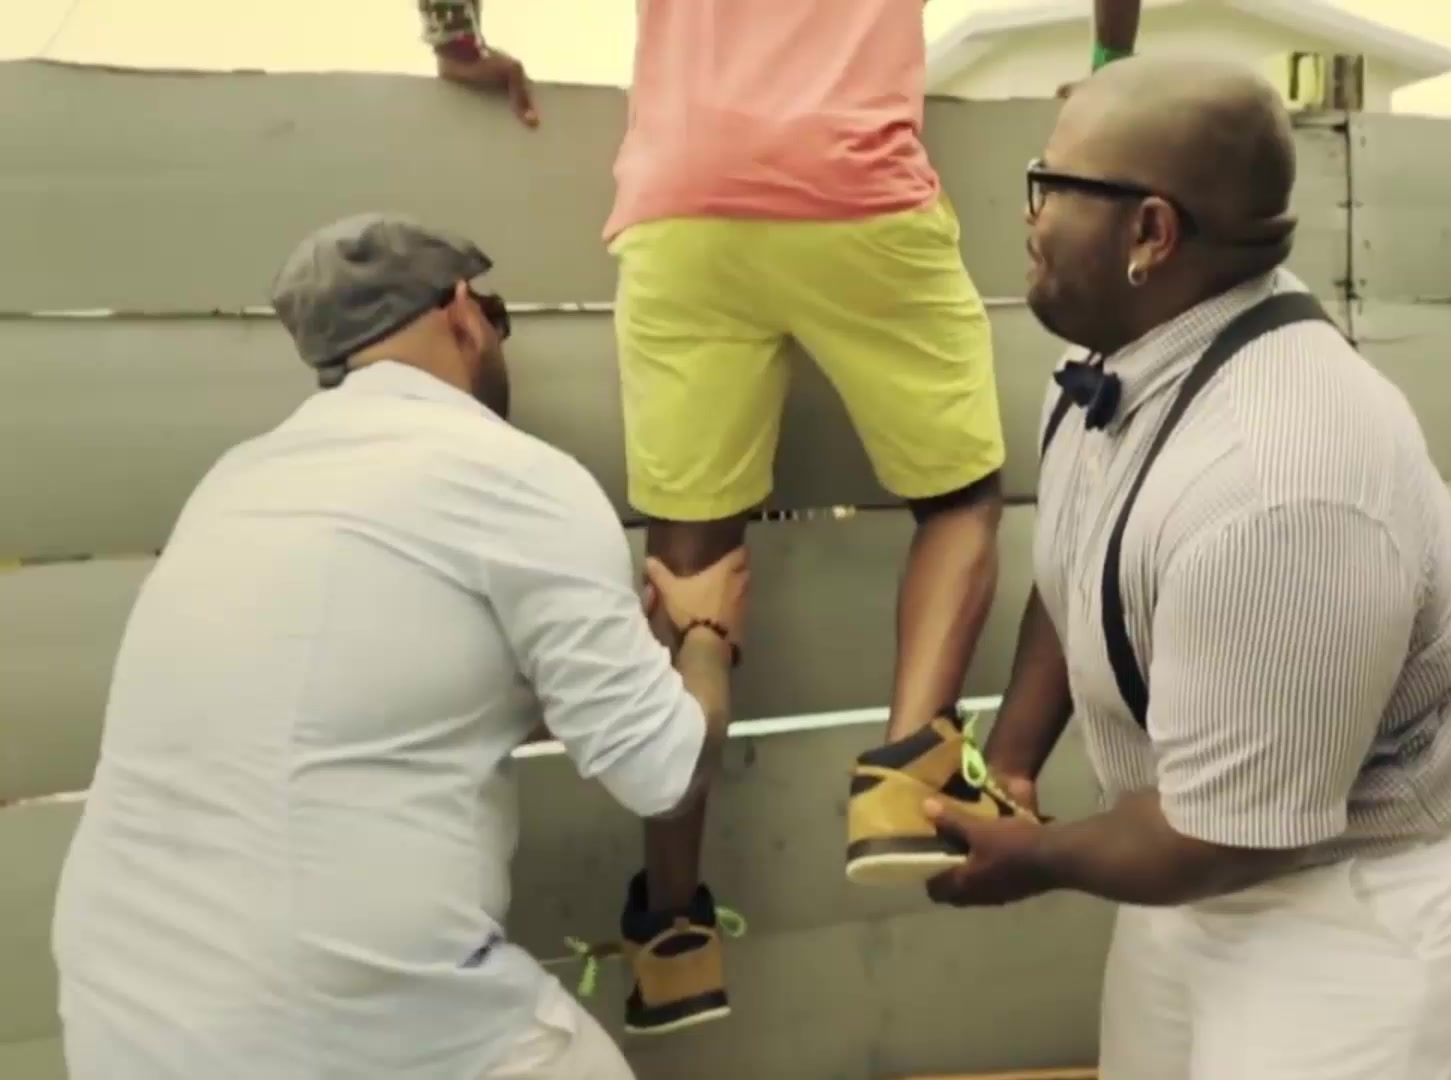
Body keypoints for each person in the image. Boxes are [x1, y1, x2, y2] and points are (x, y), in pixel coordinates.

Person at [414, 0, 1144, 1035]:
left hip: (683, 203)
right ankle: (904, 773)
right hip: (858, 193)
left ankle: (671, 934)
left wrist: (458, 41)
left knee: (688, 554)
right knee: (959, 498)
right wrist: (1112, 60)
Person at [922, 57, 1451, 1079]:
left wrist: (1040, 857)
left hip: (1397, 870)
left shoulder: (1277, 484)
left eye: (1049, 185)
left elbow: (1232, 834)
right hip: (1214, 814)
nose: (1029, 214)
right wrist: (1011, 765)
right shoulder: (1121, 358)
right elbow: (1079, 576)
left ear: (1151, 233)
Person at [51, 213, 746, 1080]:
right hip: (338, 1015)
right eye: (497, 316)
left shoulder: (234, 482)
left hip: (120, 1011)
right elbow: (665, 773)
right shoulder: (516, 476)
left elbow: (367, 701)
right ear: (461, 310)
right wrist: (707, 636)